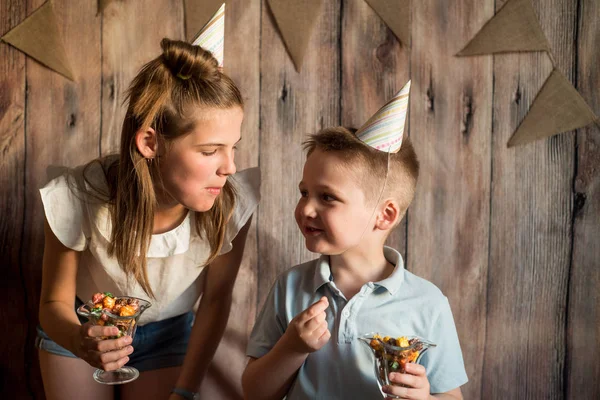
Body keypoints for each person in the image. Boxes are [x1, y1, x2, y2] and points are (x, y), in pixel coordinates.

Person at [36, 38, 260, 400]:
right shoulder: (77, 197)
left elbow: (216, 301)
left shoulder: (230, 205)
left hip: (168, 333)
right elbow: (53, 305)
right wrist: (80, 340)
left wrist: (185, 390)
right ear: (150, 143)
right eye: (209, 151)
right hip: (80, 326)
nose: (229, 167)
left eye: (233, 147)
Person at [242, 82, 467, 399]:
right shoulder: (290, 287)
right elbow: (254, 393)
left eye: (327, 197)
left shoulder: (427, 304)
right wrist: (291, 348)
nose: (306, 208)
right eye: (304, 192)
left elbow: (451, 396)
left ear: (385, 215)